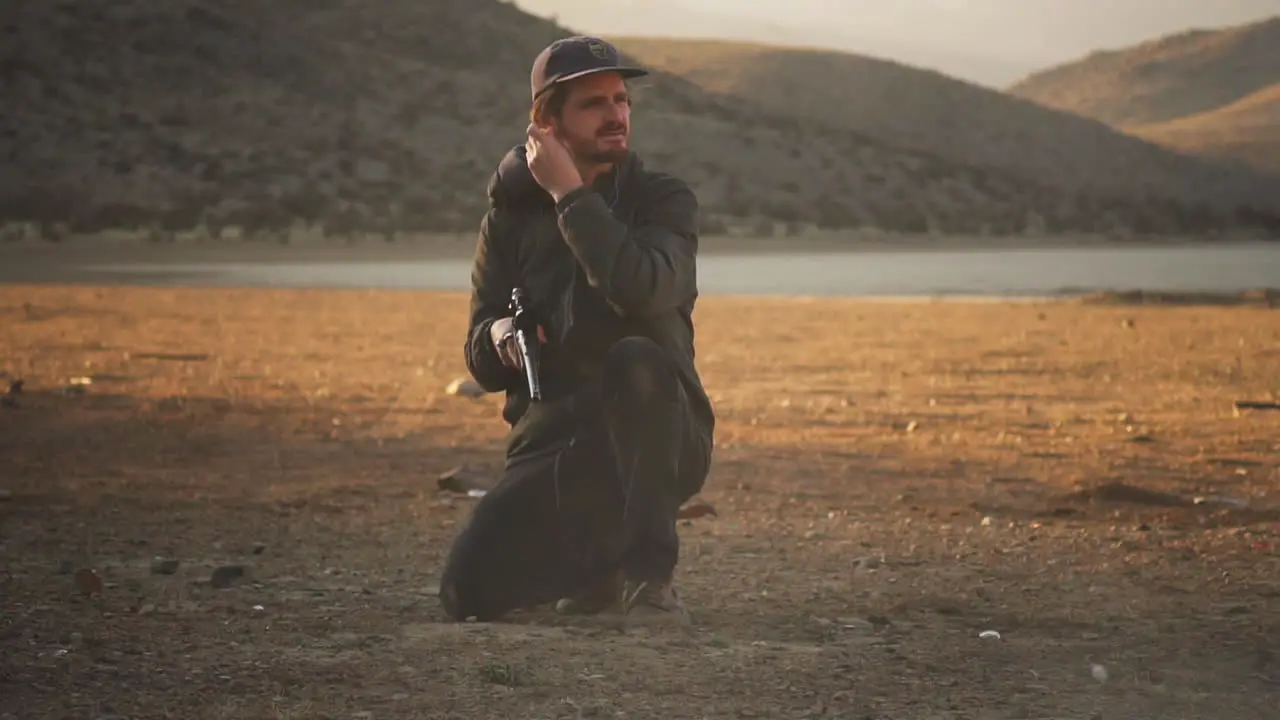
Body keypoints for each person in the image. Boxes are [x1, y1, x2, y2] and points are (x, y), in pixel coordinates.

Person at [437, 36, 716, 626]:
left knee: (637, 358)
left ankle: (649, 580)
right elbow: (477, 353)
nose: (617, 114)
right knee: (468, 594)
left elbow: (639, 288)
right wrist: (501, 338)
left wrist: (569, 194)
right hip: (556, 443)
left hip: (658, 437)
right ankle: (598, 572)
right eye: (594, 104)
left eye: (621, 100)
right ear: (547, 123)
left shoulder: (662, 200)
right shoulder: (508, 219)